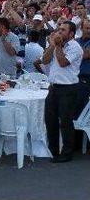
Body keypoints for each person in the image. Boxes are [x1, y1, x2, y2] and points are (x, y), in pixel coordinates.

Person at [42, 21, 83, 163]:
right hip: (53, 88)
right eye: (59, 29)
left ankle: (67, 153)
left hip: (68, 88)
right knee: (50, 120)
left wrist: (58, 45)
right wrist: (52, 45)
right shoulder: (56, 44)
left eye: (63, 30)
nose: (59, 32)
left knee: (65, 122)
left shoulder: (75, 48)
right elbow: (45, 60)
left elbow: (63, 62)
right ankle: (53, 151)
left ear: (71, 34)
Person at [76, 19, 90, 117]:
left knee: (79, 111)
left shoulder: (74, 43)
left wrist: (73, 50)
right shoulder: (76, 41)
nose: (89, 30)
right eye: (87, 28)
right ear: (81, 29)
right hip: (73, 79)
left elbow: (85, 55)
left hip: (85, 80)